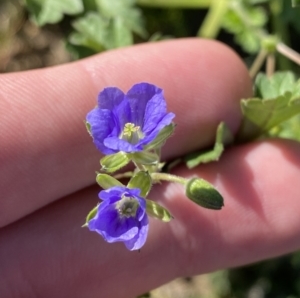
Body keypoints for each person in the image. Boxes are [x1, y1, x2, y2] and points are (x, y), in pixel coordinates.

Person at [1, 38, 300, 298]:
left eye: (131, 130)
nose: (130, 131)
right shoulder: (126, 169)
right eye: (126, 130)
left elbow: (146, 130)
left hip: (143, 153)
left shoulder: (143, 133)